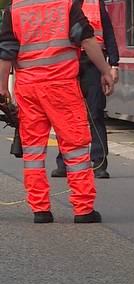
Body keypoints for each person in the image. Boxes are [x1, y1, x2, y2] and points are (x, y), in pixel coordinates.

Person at [0, 0, 114, 223]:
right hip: (61, 86)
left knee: (33, 151)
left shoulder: (14, 9)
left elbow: (5, 53)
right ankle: (83, 209)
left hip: (28, 89)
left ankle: (40, 209)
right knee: (76, 148)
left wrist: (3, 88)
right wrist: (105, 71)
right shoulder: (65, 5)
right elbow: (88, 40)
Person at [51, 0, 120, 179]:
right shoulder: (59, 3)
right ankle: (64, 162)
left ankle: (99, 163)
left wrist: (114, 64)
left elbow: (108, 31)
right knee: (66, 114)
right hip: (67, 60)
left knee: (95, 112)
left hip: (92, 62)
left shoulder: (95, 2)